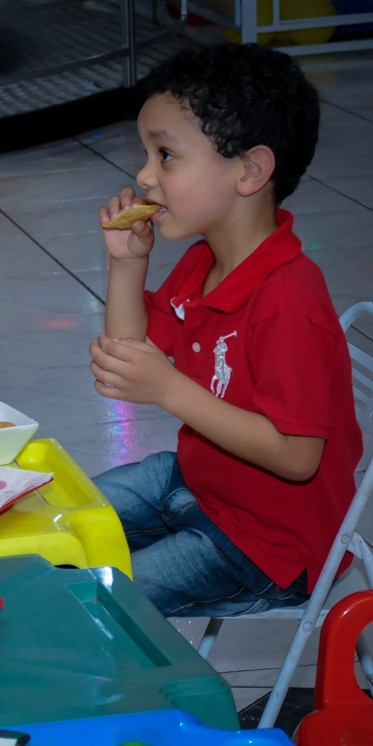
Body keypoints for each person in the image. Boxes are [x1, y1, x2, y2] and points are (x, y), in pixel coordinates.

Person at [89, 43, 362, 617]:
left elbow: (297, 456)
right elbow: (127, 352)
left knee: (99, 605)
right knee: (59, 518)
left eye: (165, 155)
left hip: (268, 543)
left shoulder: (288, 300)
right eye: (146, 153)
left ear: (250, 171)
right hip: (199, 483)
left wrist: (169, 390)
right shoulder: (203, 262)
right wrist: (127, 263)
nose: (143, 175)